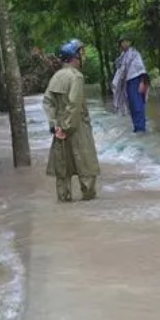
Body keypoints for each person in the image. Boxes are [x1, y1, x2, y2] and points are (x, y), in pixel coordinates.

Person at [43, 39, 100, 202]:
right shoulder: (77, 77)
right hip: (77, 127)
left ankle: (64, 203)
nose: (83, 57)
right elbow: (74, 104)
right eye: (80, 53)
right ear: (74, 57)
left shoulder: (56, 76)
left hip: (60, 128)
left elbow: (48, 102)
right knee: (86, 167)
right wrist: (67, 127)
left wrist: (55, 126)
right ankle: (88, 205)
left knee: (63, 170)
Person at [112, 35, 150, 133]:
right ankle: (136, 128)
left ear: (130, 42)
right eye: (122, 42)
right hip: (128, 83)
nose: (124, 43)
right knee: (132, 106)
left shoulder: (134, 54)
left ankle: (141, 128)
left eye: (126, 41)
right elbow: (120, 71)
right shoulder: (122, 57)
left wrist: (142, 82)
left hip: (137, 81)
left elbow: (141, 69)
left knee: (138, 106)